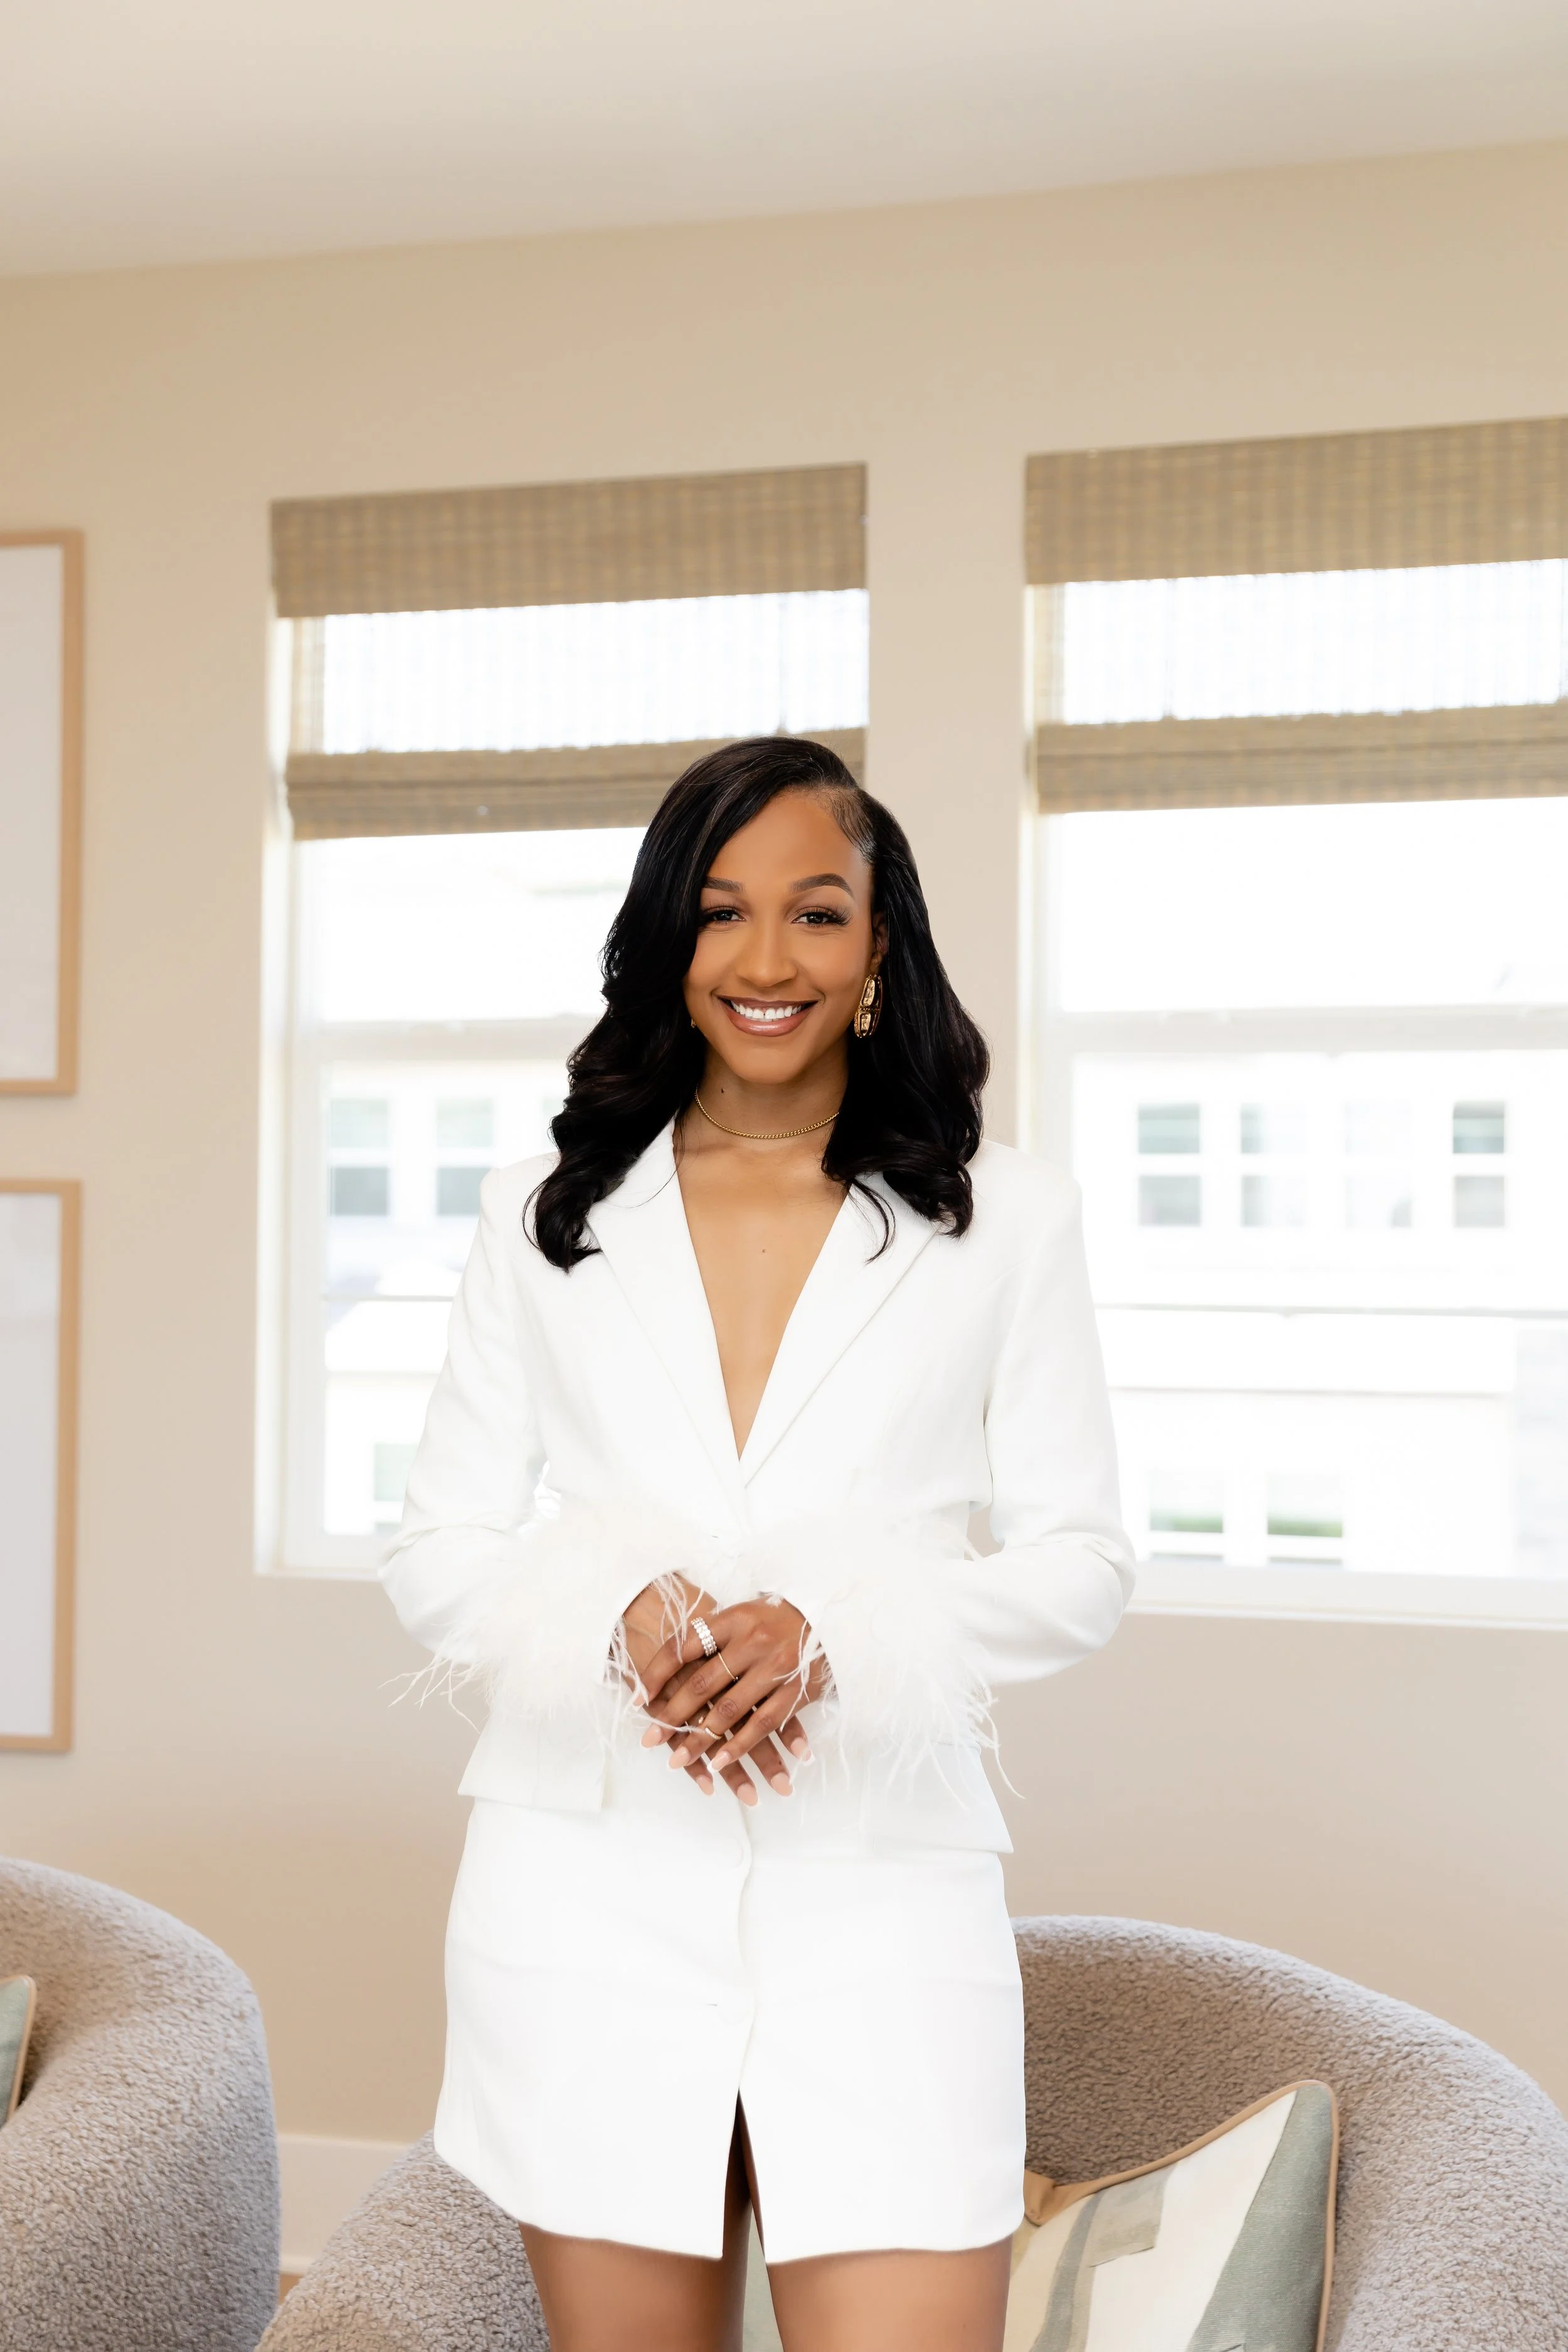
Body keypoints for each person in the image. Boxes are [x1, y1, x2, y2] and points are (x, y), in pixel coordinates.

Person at [383, 734, 1134, 2352]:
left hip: (879, 1895)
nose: (767, 960)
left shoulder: (1006, 1215)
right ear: (669, 937)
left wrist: (834, 1631)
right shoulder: (545, 1211)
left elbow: (1083, 1563)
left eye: (817, 911)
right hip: (585, 1893)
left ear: (880, 945)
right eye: (721, 911)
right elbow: (438, 1545)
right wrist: (612, 1610)